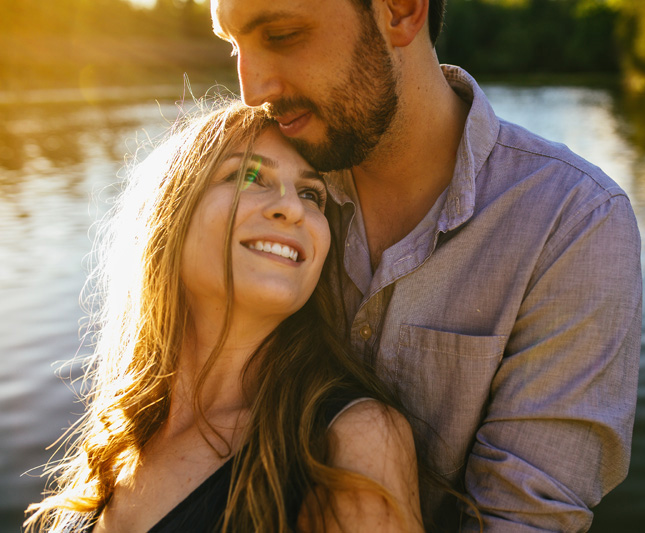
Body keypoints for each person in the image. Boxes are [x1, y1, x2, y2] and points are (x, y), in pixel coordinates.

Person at [211, 0, 643, 531]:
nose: (251, 90)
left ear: (400, 11)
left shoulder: (573, 220)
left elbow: (525, 520)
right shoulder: (257, 190)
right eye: (232, 45)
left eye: (280, 34)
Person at [25, 101, 425, 533]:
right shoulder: (117, 436)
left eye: (311, 194)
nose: (292, 208)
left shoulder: (349, 439)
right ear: (171, 216)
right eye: (249, 176)